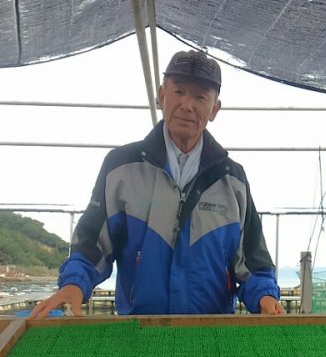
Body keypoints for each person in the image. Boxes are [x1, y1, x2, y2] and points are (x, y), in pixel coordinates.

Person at [30, 49, 285, 318]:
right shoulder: (120, 168)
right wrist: (74, 283)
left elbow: (253, 260)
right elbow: (93, 243)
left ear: (214, 109)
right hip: (137, 331)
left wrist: (265, 295)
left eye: (200, 96)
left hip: (213, 332)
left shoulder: (233, 180)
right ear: (162, 96)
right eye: (178, 92)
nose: (187, 104)